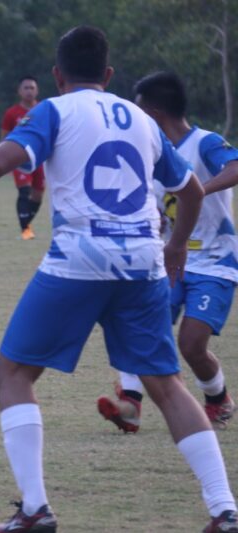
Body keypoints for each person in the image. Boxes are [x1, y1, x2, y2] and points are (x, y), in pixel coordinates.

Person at [0, 26, 238, 533]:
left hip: (81, 258)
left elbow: (1, 160)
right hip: (143, 261)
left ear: (57, 76)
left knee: (14, 372)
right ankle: (224, 509)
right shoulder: (142, 121)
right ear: (109, 74)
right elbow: (190, 192)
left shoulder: (53, 111)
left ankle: (35, 509)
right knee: (167, 386)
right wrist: (175, 246)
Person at [97, 71, 238, 434]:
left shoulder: (205, 142)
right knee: (139, 327)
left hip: (216, 261)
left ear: (155, 114)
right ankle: (130, 404)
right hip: (171, 259)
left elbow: (236, 167)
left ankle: (218, 398)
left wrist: (197, 191)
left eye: (138, 111)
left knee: (191, 344)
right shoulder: (153, 152)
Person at [0, 75, 45, 240]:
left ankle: (26, 224)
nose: (29, 91)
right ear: (19, 91)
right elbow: (4, 137)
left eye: (32, 88)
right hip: (20, 160)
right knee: (24, 191)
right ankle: (26, 231)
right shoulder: (12, 113)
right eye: (26, 88)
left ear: (37, 90)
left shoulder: (44, 110)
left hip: (40, 159)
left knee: (38, 195)